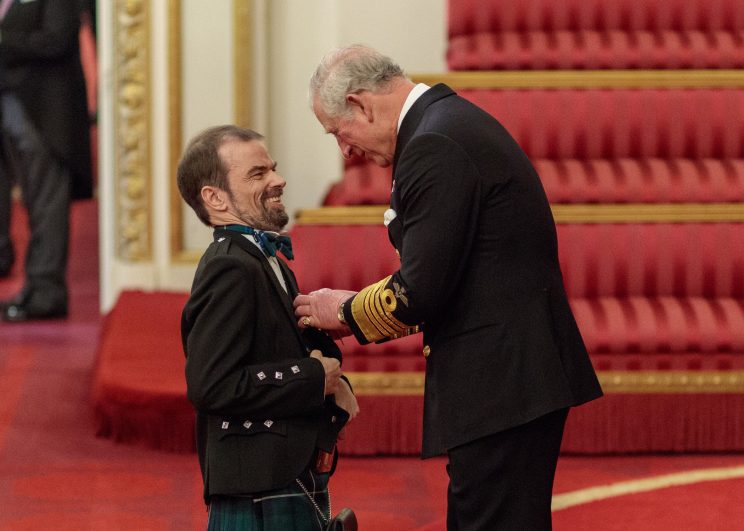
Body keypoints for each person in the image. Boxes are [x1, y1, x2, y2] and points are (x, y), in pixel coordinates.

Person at [294, 44, 603, 530]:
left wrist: (346, 311)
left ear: (359, 104)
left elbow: (420, 290)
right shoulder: (446, 123)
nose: (345, 149)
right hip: (509, 382)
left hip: (501, 386)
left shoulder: (434, 145)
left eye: (338, 131)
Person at [178, 125, 359, 530]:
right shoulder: (229, 267)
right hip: (256, 482)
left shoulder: (263, 257)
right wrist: (314, 377)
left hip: (280, 470)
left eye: (272, 169)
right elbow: (211, 384)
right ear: (215, 197)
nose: (278, 180)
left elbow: (284, 346)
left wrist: (332, 379)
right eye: (257, 174)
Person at [0, 0, 92, 320]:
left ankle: (46, 292)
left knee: (47, 204)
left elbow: (57, 38)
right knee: (34, 204)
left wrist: (3, 40)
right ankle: (35, 288)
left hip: (46, 116)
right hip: (18, 110)